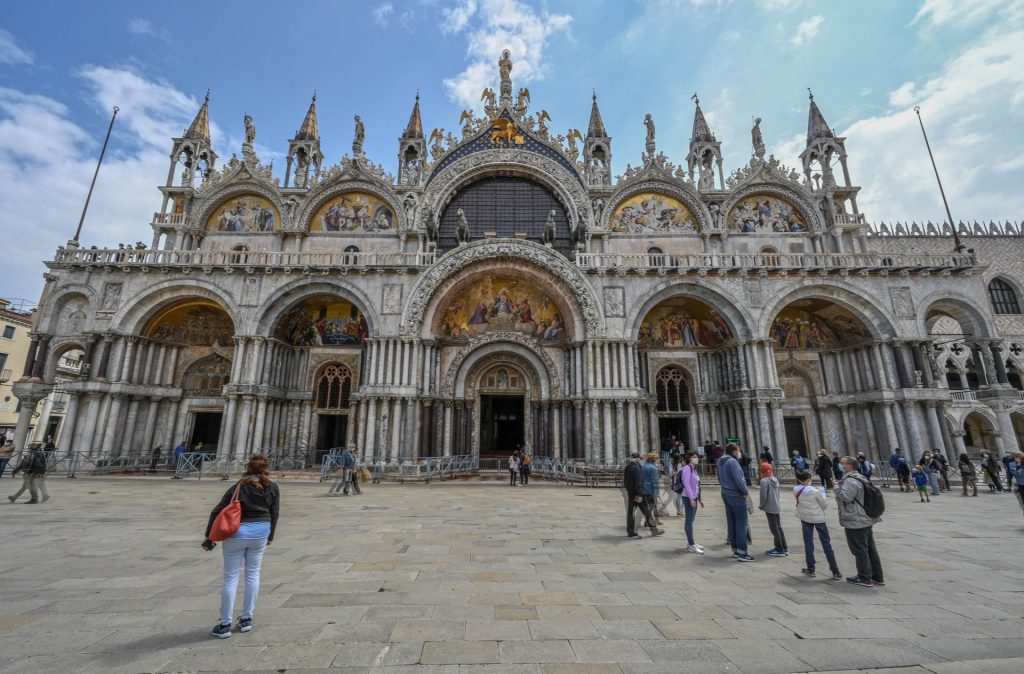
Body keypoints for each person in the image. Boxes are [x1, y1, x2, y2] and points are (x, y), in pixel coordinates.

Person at [203, 454, 280, 639]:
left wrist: (209, 538)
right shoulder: (273, 487)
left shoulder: (239, 486)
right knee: (253, 574)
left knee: (231, 578)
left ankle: (225, 624)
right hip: (260, 534)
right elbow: (274, 513)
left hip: (236, 534)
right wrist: (270, 535)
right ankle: (246, 619)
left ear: (248, 468)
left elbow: (217, 510)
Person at [835, 456, 884, 588]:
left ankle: (864, 577)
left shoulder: (850, 481)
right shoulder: (861, 477)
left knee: (859, 548)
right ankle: (877, 576)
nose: (840, 465)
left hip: (856, 519)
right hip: (865, 518)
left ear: (849, 466)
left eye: (842, 463)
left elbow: (846, 497)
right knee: (870, 548)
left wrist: (836, 487)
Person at [793, 470, 841, 579]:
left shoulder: (796, 489)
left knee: (808, 543)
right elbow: (824, 505)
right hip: (819, 519)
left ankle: (811, 568)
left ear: (800, 480)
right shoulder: (817, 491)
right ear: (809, 478)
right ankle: (835, 570)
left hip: (805, 518)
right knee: (826, 544)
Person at [718, 443, 754, 561]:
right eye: (738, 451)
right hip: (736, 494)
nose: (739, 453)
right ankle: (742, 553)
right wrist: (744, 492)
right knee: (741, 523)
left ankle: (735, 550)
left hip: (725, 493)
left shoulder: (720, 461)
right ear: (734, 451)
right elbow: (739, 479)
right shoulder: (733, 462)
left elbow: (719, 478)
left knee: (732, 522)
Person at [624, 452, 662, 537]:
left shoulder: (628, 467)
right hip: (638, 495)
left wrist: (630, 491)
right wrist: (640, 494)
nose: (640, 460)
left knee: (630, 513)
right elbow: (639, 482)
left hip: (631, 494)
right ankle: (654, 530)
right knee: (647, 511)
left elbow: (625, 482)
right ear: (637, 459)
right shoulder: (637, 468)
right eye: (640, 459)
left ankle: (630, 531)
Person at [758, 462, 788, 557]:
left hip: (770, 507)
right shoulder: (775, 479)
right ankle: (784, 547)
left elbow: (763, 496)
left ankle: (779, 548)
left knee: (774, 528)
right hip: (776, 506)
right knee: (778, 527)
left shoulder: (764, 481)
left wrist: (762, 505)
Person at [680, 451, 704, 553]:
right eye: (694, 457)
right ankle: (691, 544)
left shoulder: (694, 469)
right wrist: (691, 499)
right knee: (689, 521)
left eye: (697, 457)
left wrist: (699, 498)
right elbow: (687, 485)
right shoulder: (686, 469)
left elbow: (697, 486)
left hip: (694, 497)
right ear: (689, 458)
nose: (696, 458)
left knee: (691, 520)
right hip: (688, 497)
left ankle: (692, 542)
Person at [642, 453, 664, 526]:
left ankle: (651, 520)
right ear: (653, 459)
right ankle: (649, 521)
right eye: (657, 459)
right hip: (651, 490)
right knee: (653, 505)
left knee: (649, 506)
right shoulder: (653, 467)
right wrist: (657, 493)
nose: (657, 461)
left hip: (644, 489)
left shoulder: (643, 466)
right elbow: (655, 481)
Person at [1009, 452, 1024, 517]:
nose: (1016, 459)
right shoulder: (1013, 464)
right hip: (1020, 485)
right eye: (1015, 457)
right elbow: (1015, 473)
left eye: (1017, 457)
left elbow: (1019, 474)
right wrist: (1017, 465)